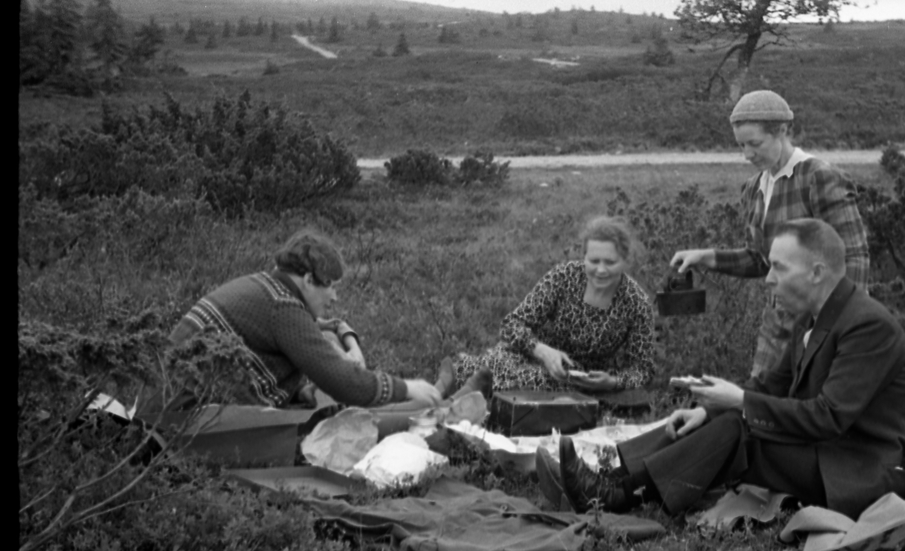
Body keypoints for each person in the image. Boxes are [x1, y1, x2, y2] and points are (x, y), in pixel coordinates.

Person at [540, 218, 905, 521]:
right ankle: (608, 476)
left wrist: (739, 402)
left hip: (864, 468)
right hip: (828, 451)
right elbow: (771, 385)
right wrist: (708, 410)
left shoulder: (867, 325)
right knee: (717, 418)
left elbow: (828, 418)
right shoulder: (814, 315)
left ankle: (616, 494)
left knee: (739, 426)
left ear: (817, 272)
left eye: (778, 268)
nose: (768, 279)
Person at [669, 89, 870, 378]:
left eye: (755, 143)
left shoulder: (818, 177)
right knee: (759, 397)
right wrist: (706, 257)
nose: (747, 154)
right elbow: (761, 260)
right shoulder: (754, 188)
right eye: (741, 145)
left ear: (782, 131)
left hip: (821, 320)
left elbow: (854, 257)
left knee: (816, 400)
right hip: (777, 321)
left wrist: (839, 327)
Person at [166, 227, 446, 410]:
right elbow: (343, 383)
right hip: (186, 417)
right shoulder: (283, 308)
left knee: (327, 343)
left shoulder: (264, 286)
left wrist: (299, 391)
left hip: (170, 403)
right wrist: (406, 388)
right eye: (331, 286)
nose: (334, 297)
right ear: (309, 280)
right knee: (343, 418)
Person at [453, 216, 656, 393]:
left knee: (539, 380)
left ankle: (467, 383)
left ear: (624, 261)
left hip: (577, 379)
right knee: (501, 360)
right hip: (533, 354)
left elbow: (643, 370)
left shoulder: (636, 302)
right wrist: (543, 351)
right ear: (584, 257)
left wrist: (613, 382)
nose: (601, 270)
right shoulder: (564, 277)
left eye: (610, 262)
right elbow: (510, 325)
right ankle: (456, 387)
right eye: (594, 261)